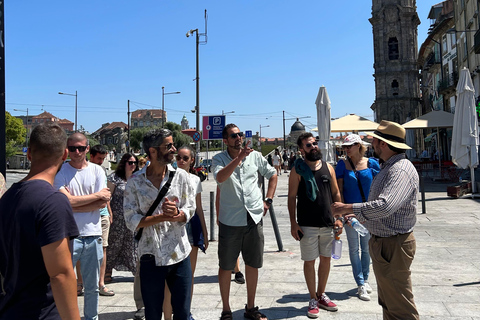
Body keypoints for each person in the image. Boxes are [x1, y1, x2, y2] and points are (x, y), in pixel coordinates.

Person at [331, 120, 420, 320]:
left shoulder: (400, 170)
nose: (372, 143)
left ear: (384, 144)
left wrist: (348, 208)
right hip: (385, 242)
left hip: (393, 244)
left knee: (400, 305)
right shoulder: (389, 166)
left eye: (376, 140)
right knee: (389, 301)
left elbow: (385, 205)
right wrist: (357, 214)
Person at [0, 123, 80, 320]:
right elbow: (60, 274)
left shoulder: (8, 197)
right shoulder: (53, 201)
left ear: (29, 154)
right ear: (64, 155)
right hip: (42, 312)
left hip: (11, 308)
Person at [124, 128, 195, 319]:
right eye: (168, 146)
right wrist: (161, 217)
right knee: (153, 313)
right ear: (153, 151)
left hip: (179, 253)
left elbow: (191, 207)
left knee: (183, 312)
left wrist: (179, 214)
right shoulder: (135, 182)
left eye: (173, 145)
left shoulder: (181, 177)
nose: (174, 149)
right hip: (150, 255)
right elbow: (130, 220)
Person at [213, 124, 277, 320]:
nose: (238, 138)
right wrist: (239, 159)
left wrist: (268, 200)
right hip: (230, 220)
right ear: (225, 140)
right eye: (233, 136)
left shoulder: (255, 156)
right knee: (226, 266)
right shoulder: (218, 159)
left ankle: (251, 307)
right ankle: (226, 309)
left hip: (254, 217)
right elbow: (220, 178)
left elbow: (272, 174)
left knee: (253, 263)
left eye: (239, 134)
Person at [54, 132, 111, 320]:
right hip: (69, 237)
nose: (76, 151)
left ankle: (91, 318)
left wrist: (72, 202)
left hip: (93, 235)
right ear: (66, 150)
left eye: (80, 148)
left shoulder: (97, 171)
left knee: (92, 286)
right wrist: (92, 199)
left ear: (87, 149)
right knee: (66, 285)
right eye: (72, 148)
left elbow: (103, 203)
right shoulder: (60, 172)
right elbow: (65, 203)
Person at [288, 132, 342, 318]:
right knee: (309, 261)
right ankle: (312, 297)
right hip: (307, 224)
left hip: (328, 222)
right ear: (302, 150)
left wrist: (339, 217)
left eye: (314, 144)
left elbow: (336, 194)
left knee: (326, 259)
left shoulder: (328, 168)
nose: (313, 147)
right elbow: (291, 197)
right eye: (309, 145)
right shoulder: (298, 170)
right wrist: (293, 223)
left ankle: (321, 294)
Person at [163, 146, 209, 320]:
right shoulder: (169, 176)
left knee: (189, 274)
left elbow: (198, 208)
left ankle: (185, 312)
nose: (181, 160)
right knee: (169, 276)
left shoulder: (195, 179)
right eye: (179, 157)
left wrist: (204, 231)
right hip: (173, 224)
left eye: (185, 158)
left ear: (192, 161)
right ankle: (168, 316)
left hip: (192, 224)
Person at [334, 134, 380, 301]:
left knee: (367, 248)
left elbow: (378, 188)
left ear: (359, 146)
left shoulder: (371, 164)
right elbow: (339, 190)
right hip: (350, 213)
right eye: (345, 146)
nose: (346, 149)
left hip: (368, 212)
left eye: (350, 146)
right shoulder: (342, 165)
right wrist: (343, 213)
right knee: (354, 249)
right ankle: (360, 282)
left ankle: (366, 280)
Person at [105, 153, 142, 316]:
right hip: (118, 217)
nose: (132, 165)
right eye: (129, 162)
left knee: (131, 245)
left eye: (134, 162)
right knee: (114, 244)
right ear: (123, 163)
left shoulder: (138, 178)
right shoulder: (115, 178)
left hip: (132, 219)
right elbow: (108, 197)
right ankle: (107, 272)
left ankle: (135, 271)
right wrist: (109, 213)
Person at [87, 145, 115, 297]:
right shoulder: (84, 170)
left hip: (103, 214)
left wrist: (109, 212)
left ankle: (101, 283)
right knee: (83, 249)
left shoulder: (102, 171)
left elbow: (106, 193)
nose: (101, 162)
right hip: (88, 214)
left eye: (103, 159)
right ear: (91, 156)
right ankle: (80, 283)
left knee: (103, 248)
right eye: (99, 158)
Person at [215, 186, 246, 285]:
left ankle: (236, 270)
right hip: (228, 218)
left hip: (244, 217)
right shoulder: (223, 174)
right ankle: (236, 270)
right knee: (231, 246)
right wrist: (219, 216)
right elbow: (218, 196)